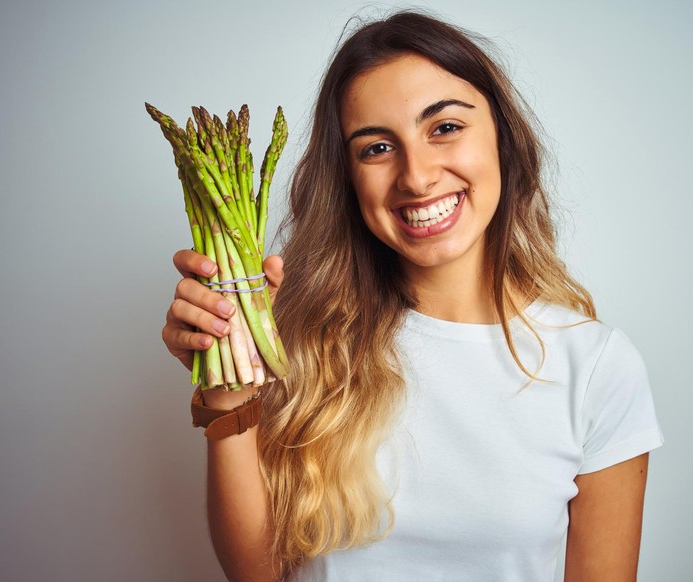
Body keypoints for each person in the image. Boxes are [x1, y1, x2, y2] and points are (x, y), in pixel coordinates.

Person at [162, 10, 664, 582]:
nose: (417, 177)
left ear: (502, 134)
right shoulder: (288, 340)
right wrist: (228, 386)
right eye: (376, 148)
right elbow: (256, 575)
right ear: (347, 180)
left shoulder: (596, 367)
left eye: (445, 127)